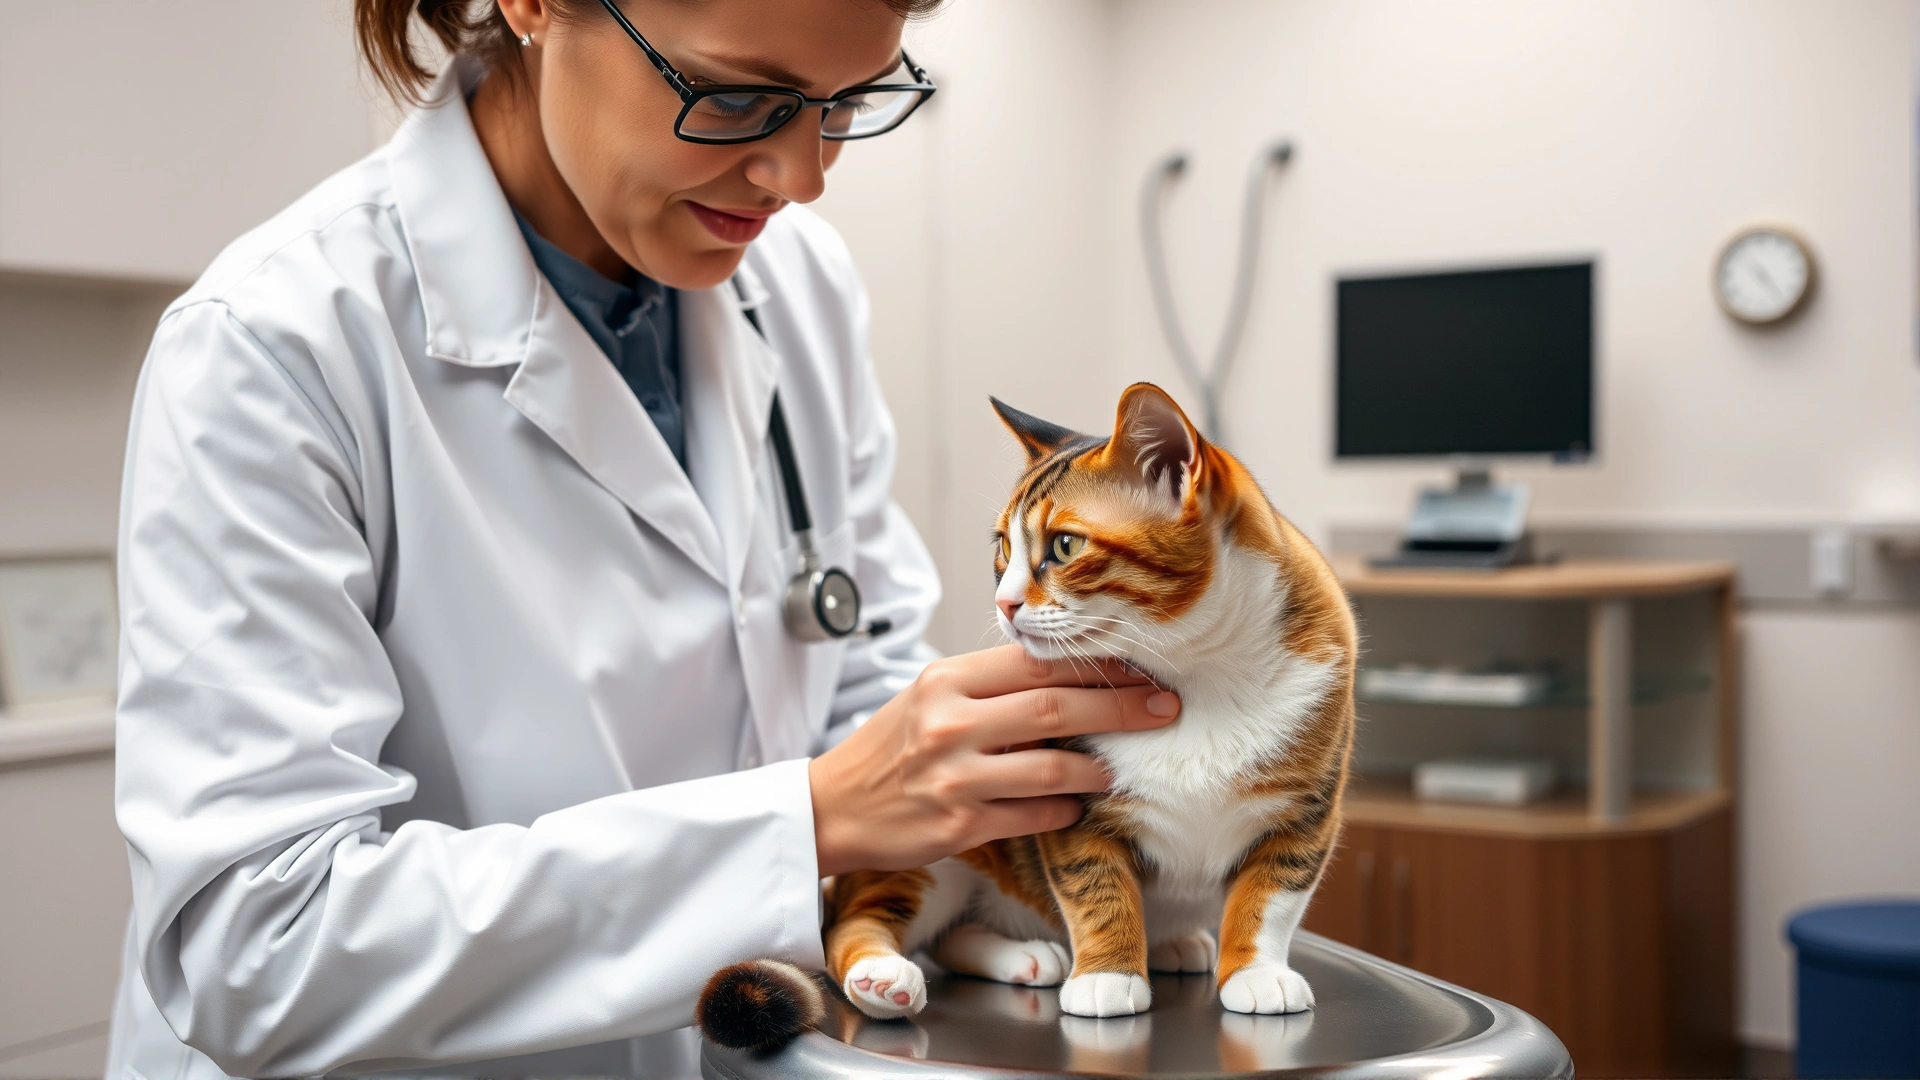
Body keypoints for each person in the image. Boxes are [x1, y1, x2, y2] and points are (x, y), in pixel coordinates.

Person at [105, 0, 1182, 1076]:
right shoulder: (276, 344)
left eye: (846, 104)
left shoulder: (798, 285)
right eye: (740, 99)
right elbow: (256, 947)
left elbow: (863, 687)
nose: (800, 177)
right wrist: (803, 824)